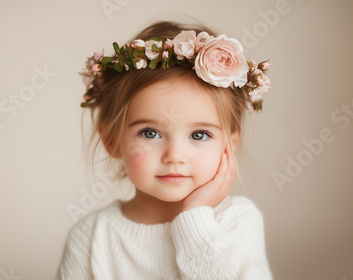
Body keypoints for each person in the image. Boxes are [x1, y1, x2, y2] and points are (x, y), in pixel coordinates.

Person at [56, 20, 273, 279]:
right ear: (112, 140)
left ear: (229, 147)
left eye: (199, 134)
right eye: (150, 133)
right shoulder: (91, 237)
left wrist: (195, 215)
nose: (174, 156)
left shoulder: (237, 221)